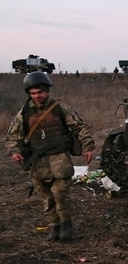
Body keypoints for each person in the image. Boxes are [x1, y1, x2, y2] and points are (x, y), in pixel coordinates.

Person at [5, 71, 95, 242]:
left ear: (47, 91)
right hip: (38, 163)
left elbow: (80, 127)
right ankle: (55, 226)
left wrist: (88, 147)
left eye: (40, 92)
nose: (37, 96)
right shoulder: (24, 113)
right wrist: (15, 151)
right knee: (47, 196)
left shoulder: (60, 108)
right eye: (33, 93)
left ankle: (66, 224)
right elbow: (12, 136)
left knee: (59, 192)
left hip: (60, 159)